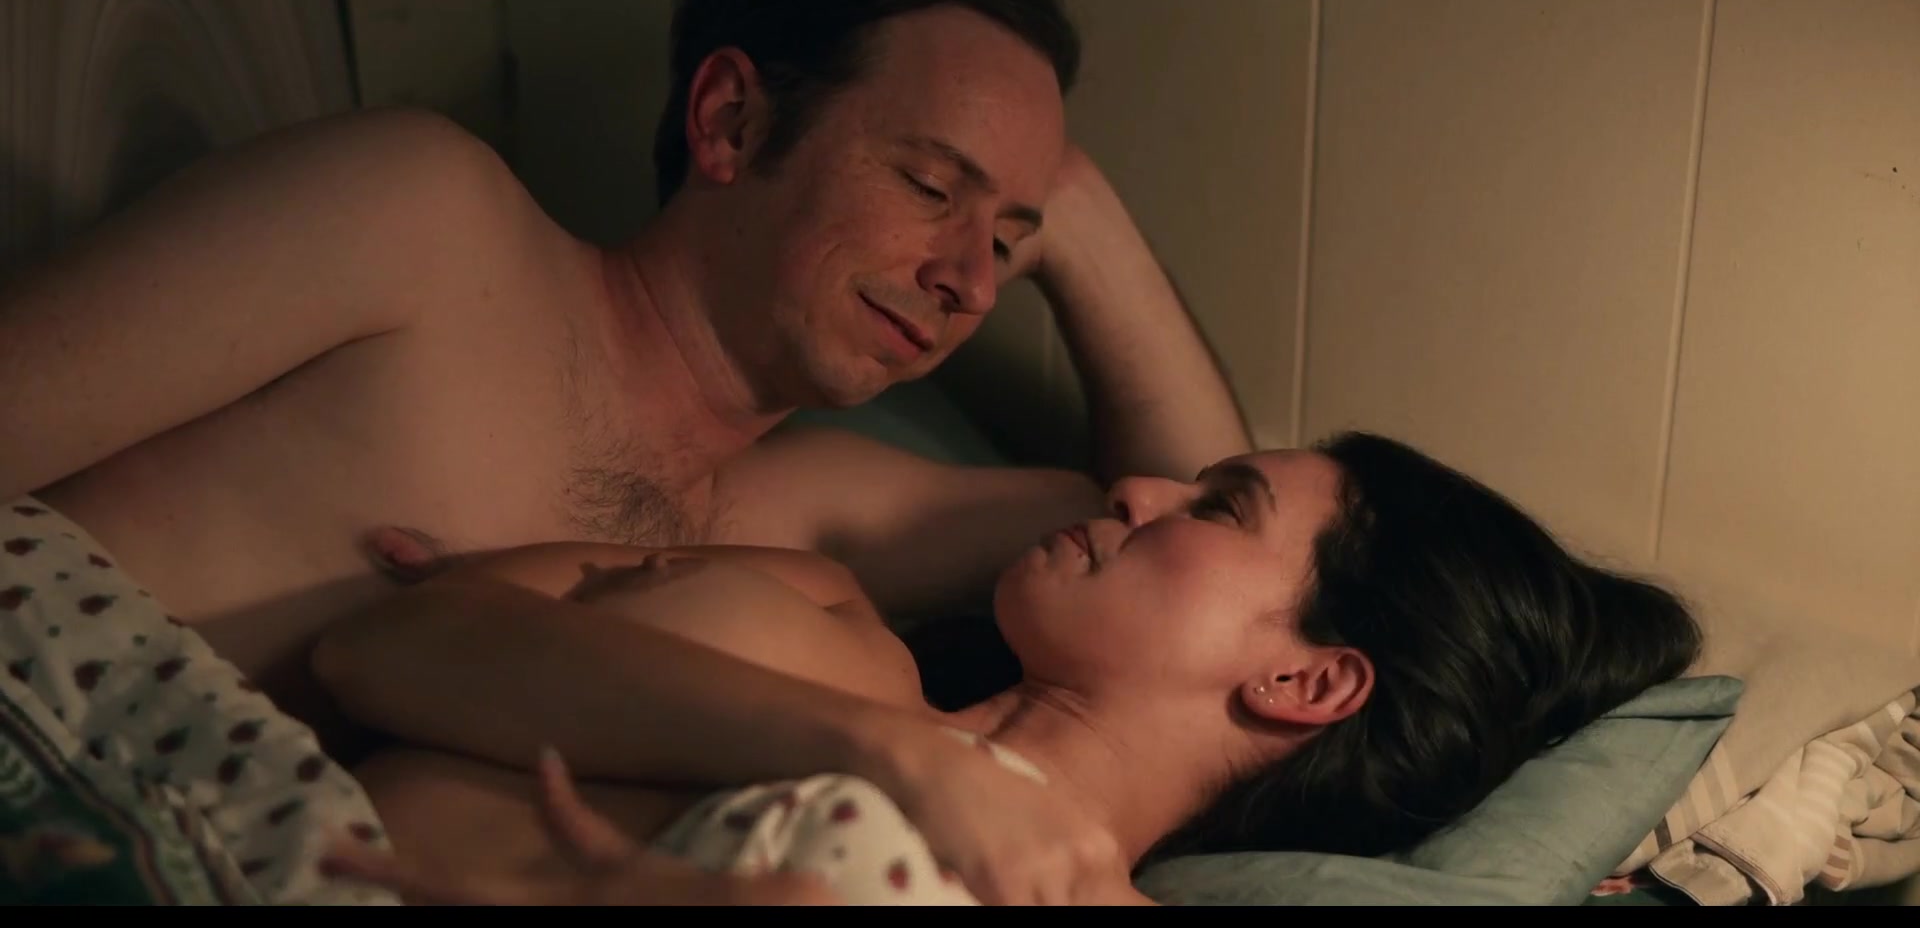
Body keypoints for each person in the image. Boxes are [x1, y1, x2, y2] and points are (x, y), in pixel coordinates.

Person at [0, 0, 1245, 903]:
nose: (971, 280)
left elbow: (1213, 538)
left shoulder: (798, 523)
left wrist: (1082, 217)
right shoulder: (425, 225)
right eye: (930, 186)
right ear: (729, 119)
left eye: (1009, 239)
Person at [310, 432, 1704, 905]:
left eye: (1219, 507)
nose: (1140, 487)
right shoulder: (823, 607)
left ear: (1307, 684)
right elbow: (378, 646)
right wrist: (888, 750)